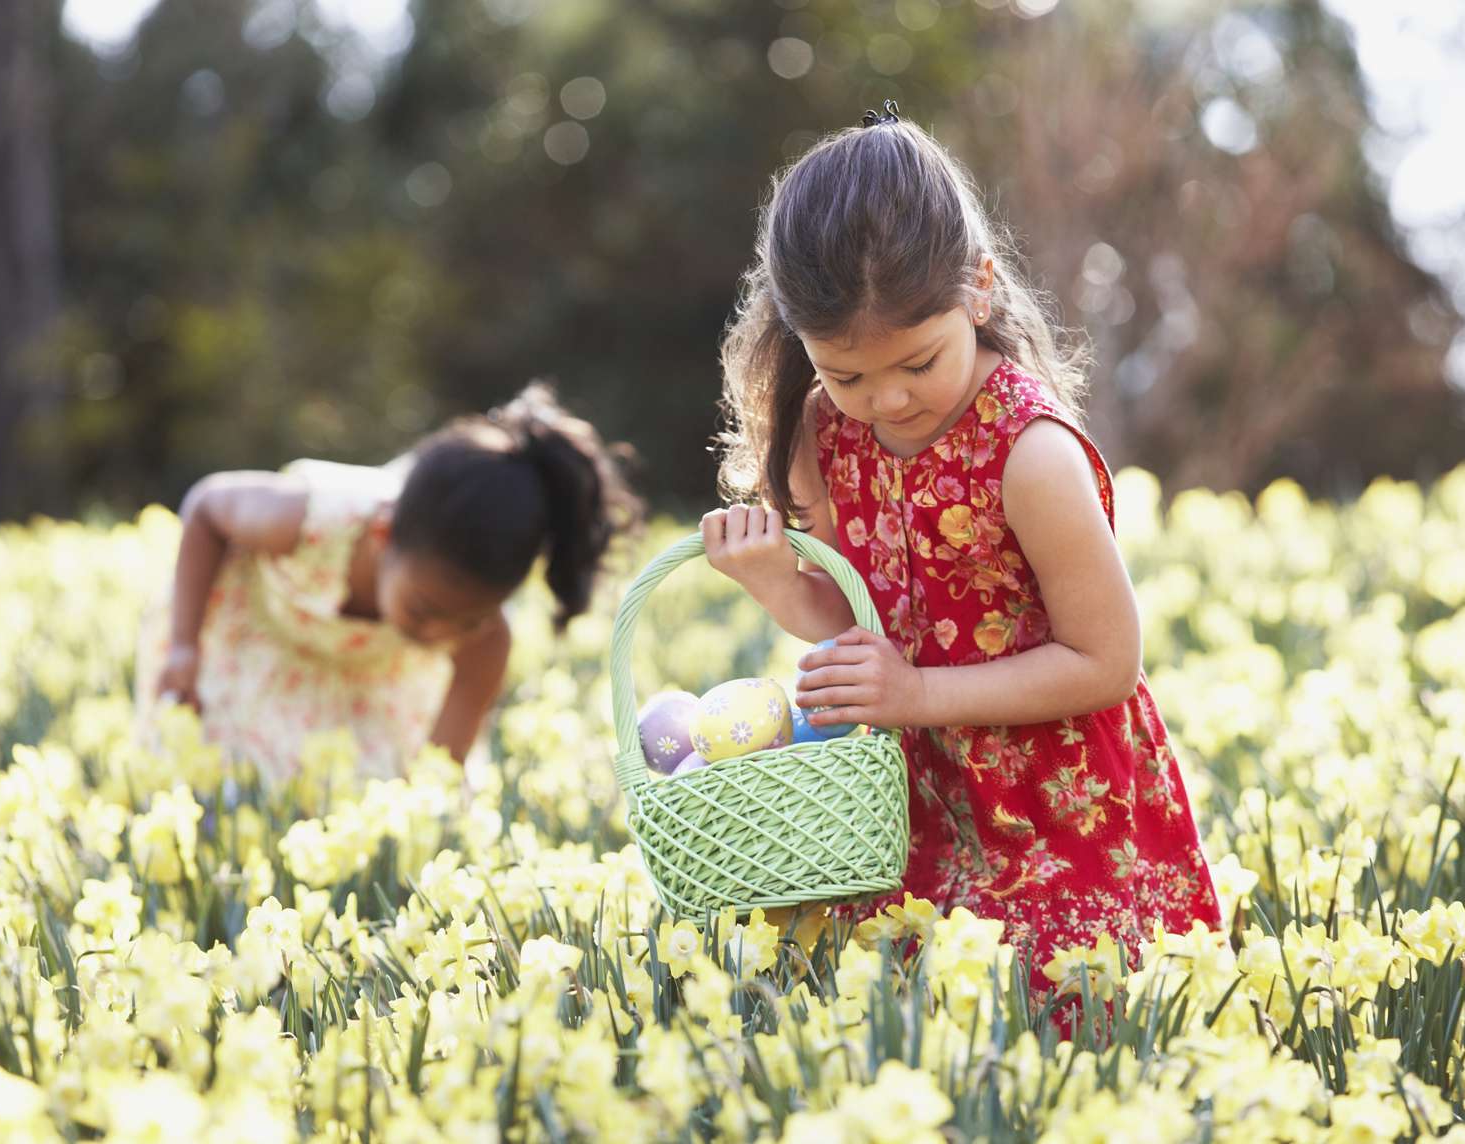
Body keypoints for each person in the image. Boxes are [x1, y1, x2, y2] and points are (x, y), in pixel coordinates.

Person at [703, 105, 1220, 994]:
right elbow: (853, 624)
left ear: (978, 290)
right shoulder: (821, 435)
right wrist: (777, 586)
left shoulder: (1031, 454)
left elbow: (1107, 661)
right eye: (847, 373)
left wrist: (915, 694)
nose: (888, 401)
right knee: (915, 1031)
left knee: (1070, 1024)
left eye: (918, 362)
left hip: (1058, 805)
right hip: (915, 803)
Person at [136, 382, 639, 786]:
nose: (438, 635)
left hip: (367, 692)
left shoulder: (486, 641)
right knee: (215, 784)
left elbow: (436, 780)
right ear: (381, 535)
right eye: (424, 610)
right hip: (253, 650)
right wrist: (184, 646)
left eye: (468, 621)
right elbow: (205, 507)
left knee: (350, 793)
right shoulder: (303, 519)